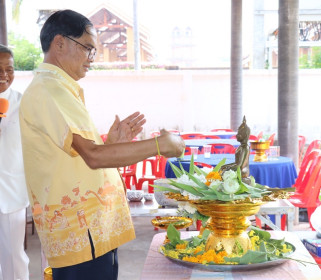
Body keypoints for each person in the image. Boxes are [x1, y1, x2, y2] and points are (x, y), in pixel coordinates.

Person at [19, 10, 185, 280]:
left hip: (92, 233)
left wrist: (113, 143)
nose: (91, 59)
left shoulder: (60, 88)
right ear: (60, 43)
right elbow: (93, 156)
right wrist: (160, 146)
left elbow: (82, 153)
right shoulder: (49, 89)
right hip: (80, 234)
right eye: (88, 49)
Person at [0, 44, 30, 280]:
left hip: (11, 194)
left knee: (14, 257)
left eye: (9, 69)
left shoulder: (24, 104)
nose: (3, 75)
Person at [220, 116, 251, 184]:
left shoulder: (245, 148)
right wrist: (225, 166)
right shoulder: (241, 147)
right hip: (238, 167)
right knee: (222, 168)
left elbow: (240, 165)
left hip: (242, 171)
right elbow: (236, 163)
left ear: (244, 135)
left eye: (239, 134)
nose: (237, 135)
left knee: (224, 173)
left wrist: (228, 168)